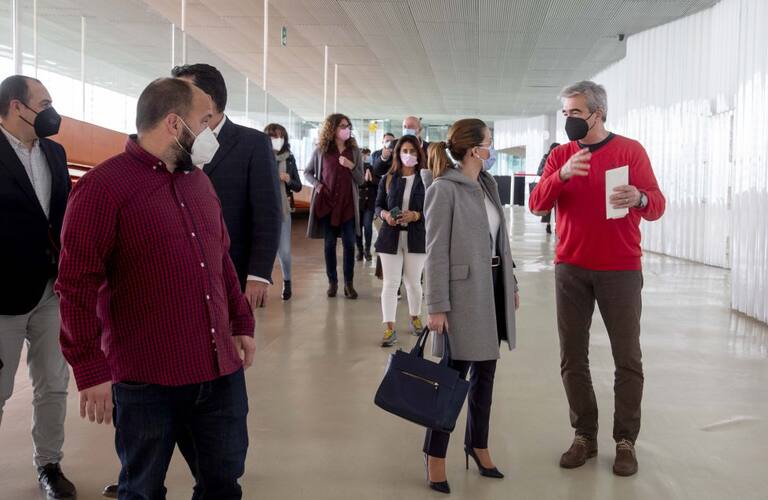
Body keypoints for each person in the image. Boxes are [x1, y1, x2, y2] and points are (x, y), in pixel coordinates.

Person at [56, 78, 256, 499]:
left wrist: (241, 321)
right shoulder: (102, 189)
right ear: (174, 124)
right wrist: (89, 367)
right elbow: (75, 285)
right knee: (142, 489)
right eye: (205, 121)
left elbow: (220, 259)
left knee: (223, 483)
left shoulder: (199, 182)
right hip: (147, 380)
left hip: (218, 372)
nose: (211, 131)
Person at [529, 81, 666, 477]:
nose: (569, 119)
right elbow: (537, 204)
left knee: (628, 357)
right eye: (566, 113)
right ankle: (584, 436)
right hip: (571, 268)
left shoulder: (630, 151)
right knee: (573, 355)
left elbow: (657, 205)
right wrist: (561, 175)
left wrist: (639, 197)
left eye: (576, 112)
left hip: (621, 268)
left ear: (598, 114)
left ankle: (625, 441)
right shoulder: (560, 155)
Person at [422, 119, 520, 494]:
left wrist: (511, 283)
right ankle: (435, 454)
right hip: (461, 294)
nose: (491, 148)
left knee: (486, 374)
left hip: (492, 287)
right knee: (452, 377)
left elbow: (502, 243)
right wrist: (436, 305)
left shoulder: (488, 185)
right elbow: (435, 252)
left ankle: (478, 445)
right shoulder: (443, 189)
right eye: (489, 142)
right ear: (473, 149)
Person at [0, 75, 76, 499]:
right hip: (4, 294)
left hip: (52, 289)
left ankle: (49, 464)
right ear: (17, 106)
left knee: (53, 382)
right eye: (44, 103)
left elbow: (62, 215)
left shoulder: (54, 151)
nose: (51, 111)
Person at [172, 63, 282, 308]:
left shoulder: (252, 143)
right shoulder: (175, 142)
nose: (174, 102)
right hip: (181, 270)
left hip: (232, 269)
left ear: (208, 101)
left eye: (181, 94)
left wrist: (258, 274)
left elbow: (268, 213)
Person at [304, 113, 364, 299]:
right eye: (343, 126)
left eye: (348, 126)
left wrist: (351, 166)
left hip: (347, 207)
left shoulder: (354, 152)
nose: (347, 129)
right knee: (329, 245)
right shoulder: (321, 150)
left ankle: (348, 284)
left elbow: (361, 180)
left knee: (349, 245)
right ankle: (332, 282)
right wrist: (318, 185)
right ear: (333, 128)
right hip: (327, 205)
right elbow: (308, 173)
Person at [375, 135, 427, 347]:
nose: (408, 155)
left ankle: (415, 316)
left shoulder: (426, 179)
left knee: (413, 282)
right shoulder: (388, 178)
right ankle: (389, 327)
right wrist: (385, 215)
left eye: (412, 151)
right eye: (404, 151)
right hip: (390, 237)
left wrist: (416, 215)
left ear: (418, 154)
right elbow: (378, 206)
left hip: (417, 237)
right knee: (390, 283)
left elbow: (434, 210)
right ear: (397, 153)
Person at [265, 122, 302, 300]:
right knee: (264, 252)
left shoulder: (289, 158)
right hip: (263, 210)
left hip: (282, 210)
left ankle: (287, 282)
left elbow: (298, 186)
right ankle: (262, 287)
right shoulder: (260, 156)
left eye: (281, 136)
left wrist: (288, 179)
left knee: (285, 252)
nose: (277, 139)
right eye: (274, 136)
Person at [356, 147, 378, 262]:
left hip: (370, 204)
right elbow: (356, 184)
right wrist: (365, 180)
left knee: (368, 226)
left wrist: (371, 178)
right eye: (364, 155)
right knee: (358, 228)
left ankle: (367, 250)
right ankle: (359, 250)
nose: (366, 157)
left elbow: (378, 183)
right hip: (358, 203)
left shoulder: (375, 168)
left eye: (368, 155)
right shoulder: (356, 168)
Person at [535, 142, 560, 234]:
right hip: (548, 185)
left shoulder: (561, 158)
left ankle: (558, 225)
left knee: (559, 207)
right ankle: (548, 225)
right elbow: (539, 172)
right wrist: (548, 168)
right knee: (547, 206)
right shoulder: (545, 158)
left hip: (559, 184)